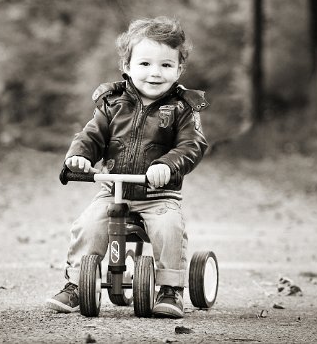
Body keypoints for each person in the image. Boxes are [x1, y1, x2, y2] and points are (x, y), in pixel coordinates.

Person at [45, 16, 209, 318]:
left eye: (166, 65)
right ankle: (77, 286)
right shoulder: (112, 102)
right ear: (127, 66)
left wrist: (167, 165)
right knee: (89, 224)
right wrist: (79, 156)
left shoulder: (183, 108)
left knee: (168, 228)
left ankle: (170, 289)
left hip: (158, 194)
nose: (155, 73)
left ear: (179, 69)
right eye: (145, 64)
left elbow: (192, 146)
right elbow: (91, 135)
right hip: (114, 191)